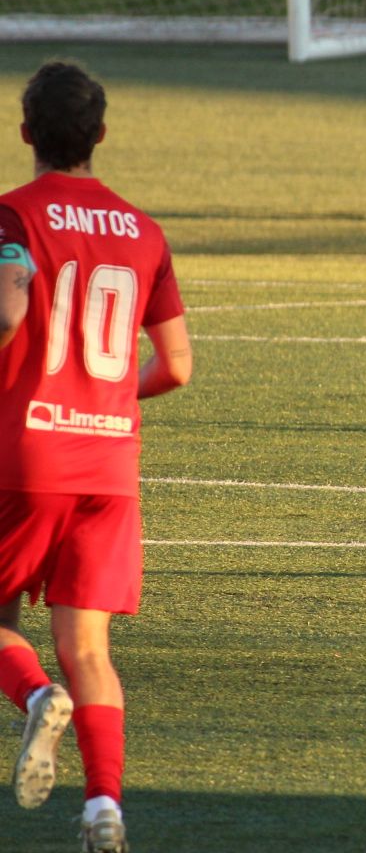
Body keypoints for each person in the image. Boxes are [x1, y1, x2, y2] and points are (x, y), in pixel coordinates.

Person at [0, 62, 193, 853]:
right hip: (109, 462)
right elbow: (177, 365)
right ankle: (104, 808)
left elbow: (8, 311)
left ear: (24, 134)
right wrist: (104, 398)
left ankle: (35, 695)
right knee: (91, 649)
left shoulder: (11, 216)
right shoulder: (143, 229)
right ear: (101, 137)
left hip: (27, 450)